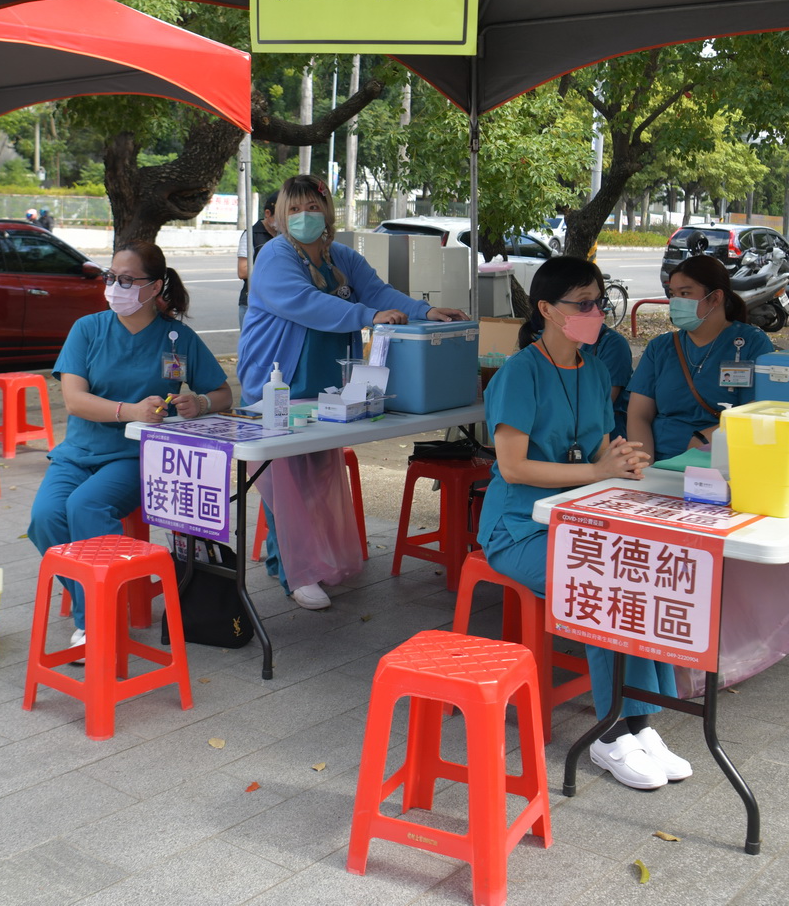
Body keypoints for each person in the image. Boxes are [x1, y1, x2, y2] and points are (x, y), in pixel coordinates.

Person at [478, 256, 690, 792]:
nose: (596, 313)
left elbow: (596, 440)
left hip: (579, 517)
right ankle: (610, 729)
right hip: (519, 529)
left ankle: (641, 722)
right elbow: (512, 466)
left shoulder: (594, 368)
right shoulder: (519, 373)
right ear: (547, 309)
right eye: (583, 304)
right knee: (600, 580)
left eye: (600, 302)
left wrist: (620, 458)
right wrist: (596, 469)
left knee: (638, 571)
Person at [237, 174, 468, 609]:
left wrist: (423, 309)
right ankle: (295, 572)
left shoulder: (339, 255)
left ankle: (289, 559)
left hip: (325, 377)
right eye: (295, 208)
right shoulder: (274, 256)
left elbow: (379, 291)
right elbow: (304, 302)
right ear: (280, 215)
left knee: (319, 470)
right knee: (284, 475)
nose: (304, 216)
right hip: (278, 376)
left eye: (312, 207)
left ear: (327, 212)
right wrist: (369, 315)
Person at [28, 242, 232, 647]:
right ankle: (104, 596)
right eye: (111, 277)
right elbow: (74, 399)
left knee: (86, 506)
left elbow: (223, 394)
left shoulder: (177, 338)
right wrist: (130, 410)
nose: (114, 286)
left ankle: (95, 626)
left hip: (134, 455)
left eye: (126, 279)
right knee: (46, 518)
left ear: (155, 286)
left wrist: (202, 402)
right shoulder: (88, 329)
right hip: (78, 452)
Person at [626, 255, 775, 461]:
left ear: (715, 298)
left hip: (720, 462)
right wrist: (643, 464)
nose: (676, 301)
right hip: (660, 463)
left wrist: (705, 440)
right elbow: (638, 415)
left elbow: (755, 415)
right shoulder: (660, 347)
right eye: (673, 294)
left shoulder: (751, 343)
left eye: (685, 293)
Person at [585, 319, 636, 440]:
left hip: (605, 436)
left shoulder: (611, 344)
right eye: (583, 303)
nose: (594, 309)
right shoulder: (537, 349)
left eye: (598, 302)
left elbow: (601, 405)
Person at [236, 189, 279, 330]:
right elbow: (242, 271)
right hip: (252, 304)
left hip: (279, 304)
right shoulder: (251, 235)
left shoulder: (286, 236)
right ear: (268, 214)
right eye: (280, 216)